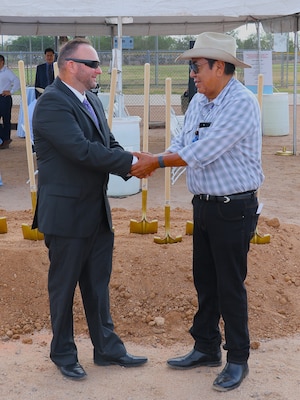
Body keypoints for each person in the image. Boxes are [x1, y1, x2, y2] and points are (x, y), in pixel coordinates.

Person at [131, 32, 264, 392]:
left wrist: (154, 163)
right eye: (192, 67)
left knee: (229, 286)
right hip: (204, 206)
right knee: (206, 281)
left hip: (233, 208)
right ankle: (206, 347)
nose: (193, 73)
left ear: (219, 66)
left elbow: (204, 151)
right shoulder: (200, 102)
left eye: (196, 66)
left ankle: (237, 358)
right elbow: (182, 142)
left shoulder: (241, 103)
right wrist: (151, 157)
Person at [32, 37, 147, 380]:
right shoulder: (52, 104)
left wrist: (134, 158)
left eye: (99, 64)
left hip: (96, 212)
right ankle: (64, 353)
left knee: (98, 285)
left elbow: (106, 143)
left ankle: (107, 349)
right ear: (71, 66)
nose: (99, 70)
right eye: (93, 64)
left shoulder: (92, 101)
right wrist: (132, 163)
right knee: (64, 287)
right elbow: (82, 151)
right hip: (66, 216)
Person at [0, 54, 20, 149]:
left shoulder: (7, 72)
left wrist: (11, 91)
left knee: (6, 119)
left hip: (4, 98)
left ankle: (6, 139)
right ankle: (3, 138)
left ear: (2, 62)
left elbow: (17, 81)